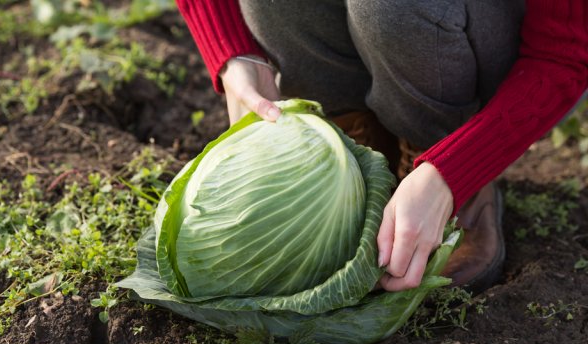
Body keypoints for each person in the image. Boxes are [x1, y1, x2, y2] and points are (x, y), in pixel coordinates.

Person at [176, 0, 588, 294]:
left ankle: (440, 152)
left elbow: (565, 53)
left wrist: (453, 172)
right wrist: (236, 54)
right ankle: (358, 140)